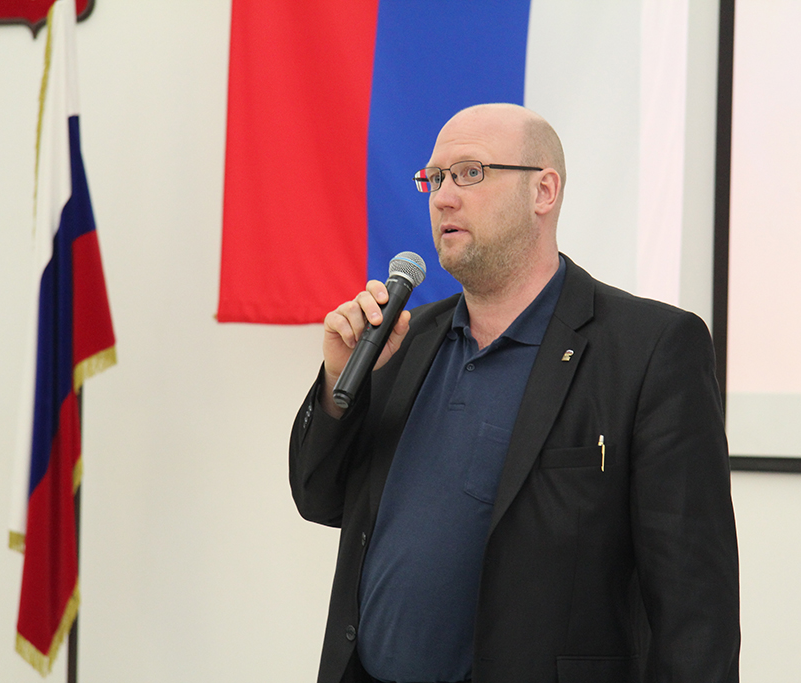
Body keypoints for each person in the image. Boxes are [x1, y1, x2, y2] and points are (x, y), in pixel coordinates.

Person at [289, 103, 739, 683]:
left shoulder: (649, 348)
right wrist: (336, 384)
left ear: (543, 192)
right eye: (435, 178)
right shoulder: (405, 339)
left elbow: (695, 607)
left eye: (470, 173)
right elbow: (320, 499)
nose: (443, 198)